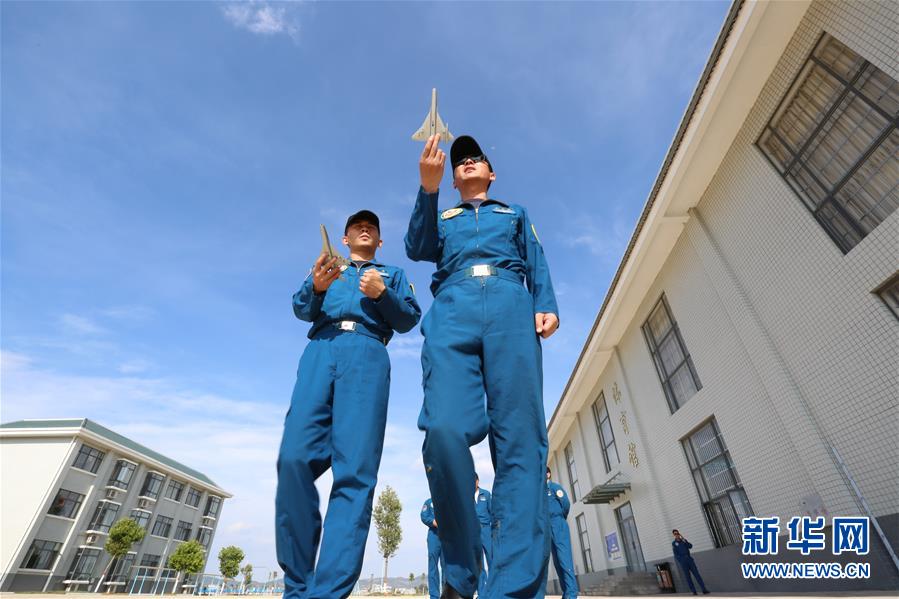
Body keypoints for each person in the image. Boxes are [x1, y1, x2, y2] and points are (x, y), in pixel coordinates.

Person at [406, 134, 560, 599]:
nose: (468, 163)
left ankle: (512, 586)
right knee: (444, 429)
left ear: (491, 174)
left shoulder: (513, 214)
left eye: (477, 159)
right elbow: (416, 247)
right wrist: (427, 189)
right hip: (453, 305)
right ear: (454, 178)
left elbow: (537, 260)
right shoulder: (444, 214)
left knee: (519, 438)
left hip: (512, 304)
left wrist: (545, 303)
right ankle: (461, 565)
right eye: (461, 162)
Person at [276, 210, 421, 599]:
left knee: (354, 472)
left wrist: (382, 294)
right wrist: (317, 287)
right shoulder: (325, 268)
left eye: (371, 227)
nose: (364, 229)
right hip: (321, 350)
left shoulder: (391, 274)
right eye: (357, 226)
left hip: (368, 353)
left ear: (379, 240)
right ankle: (297, 585)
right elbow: (301, 308)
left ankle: (328, 592)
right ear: (344, 239)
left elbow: (408, 319)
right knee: (293, 459)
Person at [546, 467, 578, 598]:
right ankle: (566, 592)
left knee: (564, 560)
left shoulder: (554, 487)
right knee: (557, 563)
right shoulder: (539, 492)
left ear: (548, 474)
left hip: (558, 524)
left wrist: (560, 517)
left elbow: (566, 504)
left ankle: (571, 594)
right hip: (548, 527)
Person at [672, 530, 710, 595]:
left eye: (677, 533)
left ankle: (704, 589)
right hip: (683, 561)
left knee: (697, 574)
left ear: (679, 534)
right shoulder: (674, 543)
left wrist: (685, 540)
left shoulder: (683, 541)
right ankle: (694, 591)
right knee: (688, 577)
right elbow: (676, 555)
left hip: (689, 559)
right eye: (675, 534)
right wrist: (681, 561)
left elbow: (690, 546)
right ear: (674, 535)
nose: (677, 535)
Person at [422, 498, 445, 599]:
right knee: (433, 566)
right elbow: (424, 516)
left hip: (447, 536)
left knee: (447, 566)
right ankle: (434, 595)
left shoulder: (449, 501)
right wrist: (432, 522)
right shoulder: (429, 502)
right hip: (433, 536)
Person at [474, 476, 492, 597]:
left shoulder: (486, 494)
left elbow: (493, 513)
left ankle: (495, 591)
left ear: (477, 481)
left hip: (486, 530)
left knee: (492, 560)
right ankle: (482, 594)